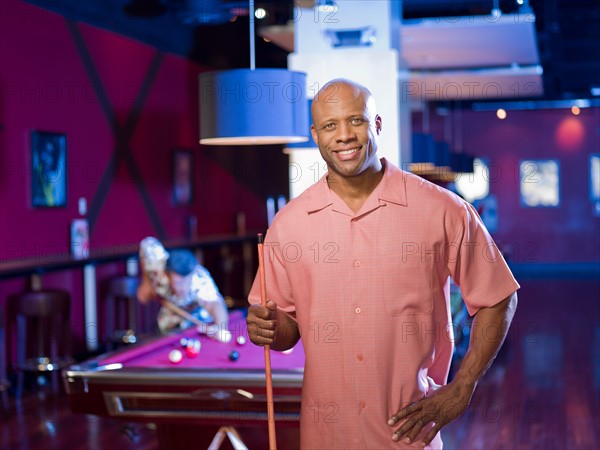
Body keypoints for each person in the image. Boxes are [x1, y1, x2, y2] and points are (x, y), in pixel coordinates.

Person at [246, 79, 519, 449]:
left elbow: (498, 297)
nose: (343, 135)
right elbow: (287, 330)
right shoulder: (287, 225)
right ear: (315, 135)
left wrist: (462, 387)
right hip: (325, 437)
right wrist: (267, 329)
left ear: (377, 124)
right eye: (330, 125)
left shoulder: (444, 209)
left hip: (409, 435)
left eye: (355, 121)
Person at [137, 237, 230, 341]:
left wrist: (220, 327)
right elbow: (147, 243)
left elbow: (215, 304)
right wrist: (146, 282)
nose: (182, 287)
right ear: (167, 275)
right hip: (170, 320)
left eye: (186, 282)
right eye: (178, 282)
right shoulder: (158, 266)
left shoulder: (200, 279)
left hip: (198, 322)